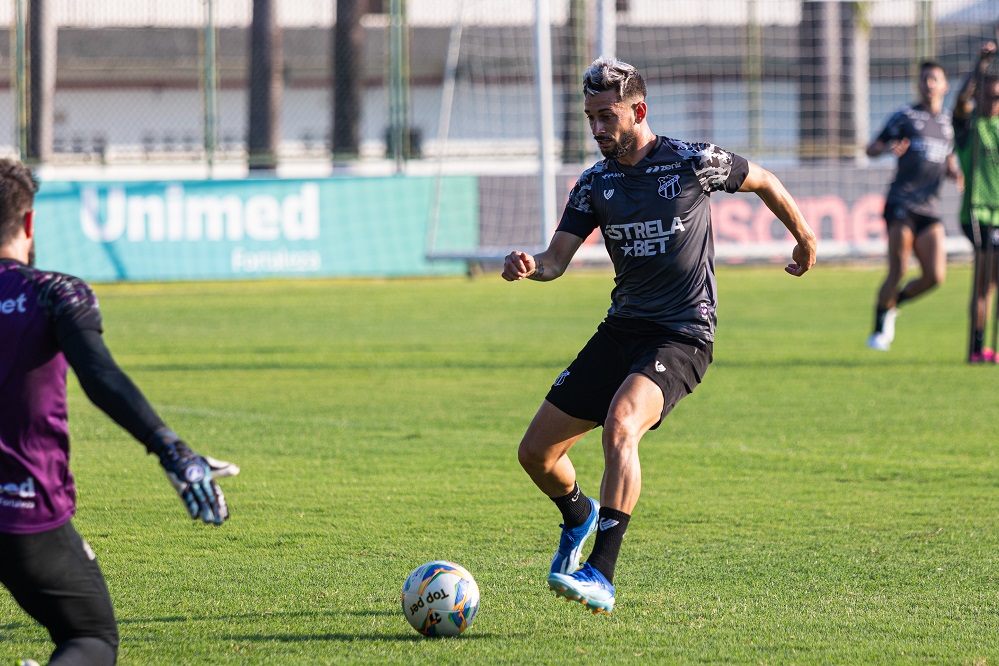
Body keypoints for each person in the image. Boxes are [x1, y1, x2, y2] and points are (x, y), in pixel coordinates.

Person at [501, 56, 817, 615]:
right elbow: (556, 261)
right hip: (622, 328)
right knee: (536, 454)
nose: (597, 129)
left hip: (683, 333)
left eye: (606, 117)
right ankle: (578, 515)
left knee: (623, 424)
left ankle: (602, 573)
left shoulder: (694, 163)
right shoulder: (595, 183)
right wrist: (531, 265)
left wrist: (804, 238)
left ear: (638, 111)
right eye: (590, 118)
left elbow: (763, 179)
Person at [0, 158, 236, 666]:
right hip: (21, 508)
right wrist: (170, 449)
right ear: (29, 223)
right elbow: (100, 377)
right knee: (90, 637)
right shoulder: (53, 291)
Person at [866, 60, 960, 352]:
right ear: (918, 85)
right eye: (924, 79)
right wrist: (889, 148)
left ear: (944, 86)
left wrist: (955, 171)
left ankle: (895, 304)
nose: (928, 83)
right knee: (899, 269)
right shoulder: (905, 116)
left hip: (929, 208)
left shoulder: (949, 124)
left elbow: (947, 158)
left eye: (934, 79)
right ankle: (880, 327)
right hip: (902, 203)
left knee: (935, 276)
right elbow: (872, 149)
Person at [953, 41, 999, 363]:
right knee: (983, 281)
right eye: (987, 95)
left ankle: (986, 348)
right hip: (978, 212)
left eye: (997, 96)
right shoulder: (970, 127)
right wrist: (979, 65)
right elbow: (959, 102)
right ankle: (976, 346)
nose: (992, 101)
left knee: (991, 284)